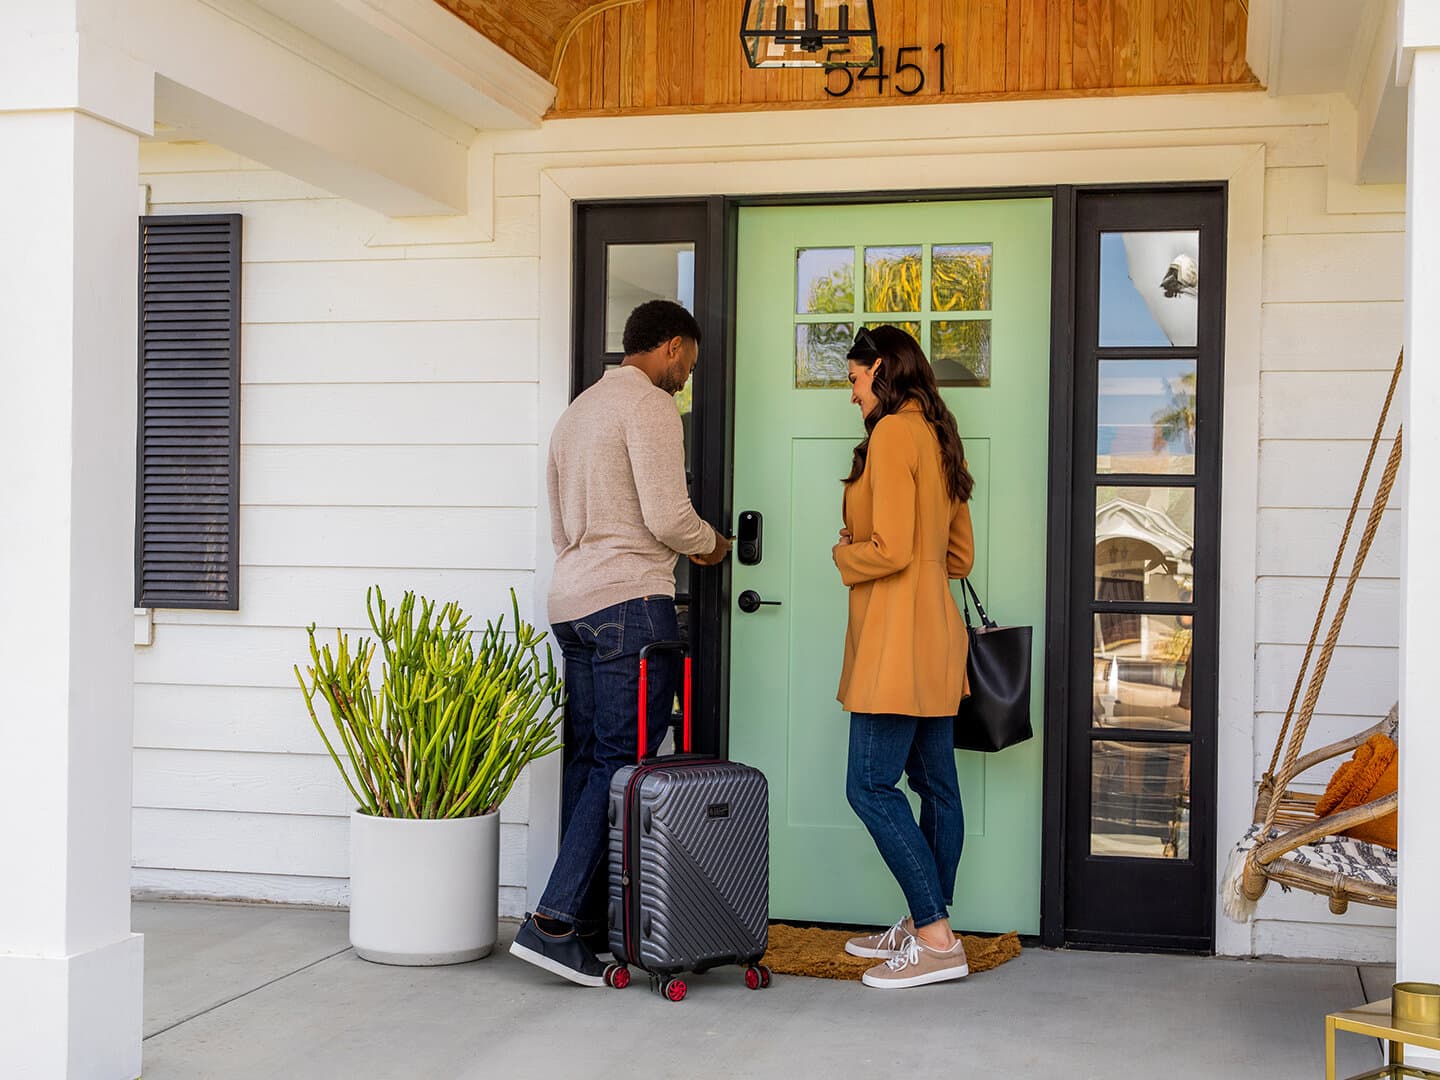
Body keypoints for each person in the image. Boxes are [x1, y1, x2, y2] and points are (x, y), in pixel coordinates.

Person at [510, 300, 731, 986]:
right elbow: (668, 516)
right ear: (668, 348)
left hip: (573, 601)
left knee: (589, 761)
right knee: (620, 766)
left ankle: (584, 923)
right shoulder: (649, 407)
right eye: (686, 365)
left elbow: (559, 525)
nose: (686, 380)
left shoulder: (576, 412)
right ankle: (551, 924)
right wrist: (714, 546)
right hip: (629, 603)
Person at [831, 325, 976, 990]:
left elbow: (886, 550)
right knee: (937, 792)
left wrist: (844, 553)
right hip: (937, 641)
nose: (852, 393)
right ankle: (929, 924)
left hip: (894, 645)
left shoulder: (892, 435)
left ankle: (937, 940)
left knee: (868, 786)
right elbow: (958, 558)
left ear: (881, 368)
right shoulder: (940, 435)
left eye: (856, 379)